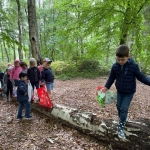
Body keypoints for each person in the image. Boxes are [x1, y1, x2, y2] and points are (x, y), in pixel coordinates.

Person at [102, 44, 150, 139]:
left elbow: (142, 77)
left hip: (129, 92)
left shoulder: (133, 66)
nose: (120, 62)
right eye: (118, 59)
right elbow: (111, 78)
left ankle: (120, 128)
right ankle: (123, 119)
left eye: (122, 59)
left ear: (128, 56)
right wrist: (106, 87)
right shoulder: (115, 66)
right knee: (119, 107)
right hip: (120, 91)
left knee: (124, 108)